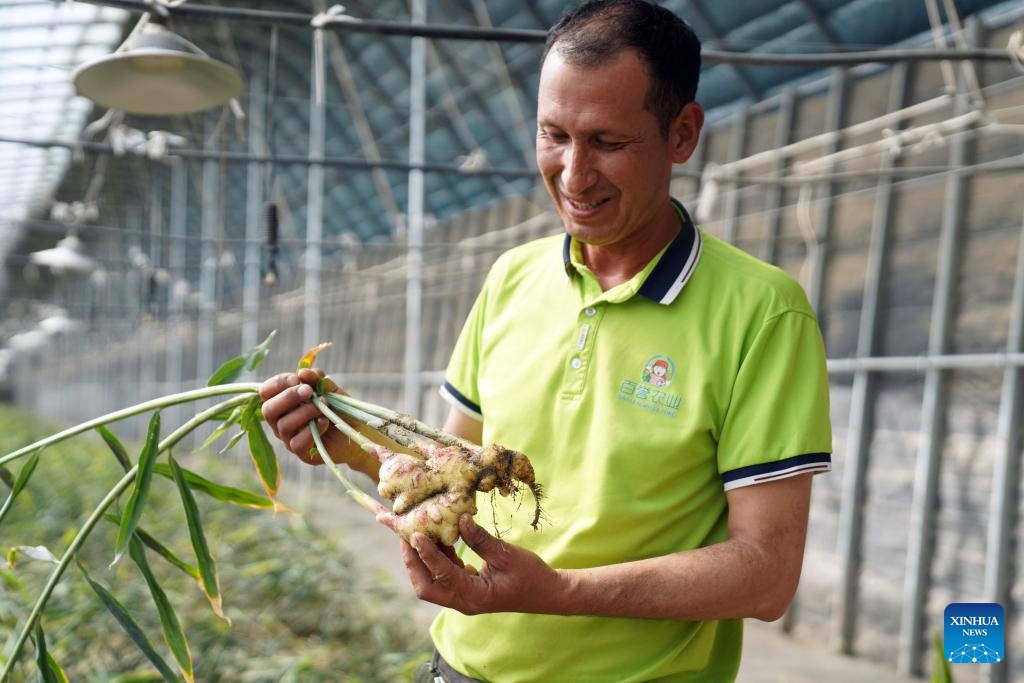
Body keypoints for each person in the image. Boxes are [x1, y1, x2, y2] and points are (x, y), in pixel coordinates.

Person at [260, 1, 833, 680]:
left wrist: (558, 594)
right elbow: (453, 470)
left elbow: (765, 574)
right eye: (553, 134)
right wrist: (344, 439)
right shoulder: (513, 278)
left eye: (608, 142)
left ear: (682, 133)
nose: (573, 172)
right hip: (460, 665)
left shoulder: (760, 312)